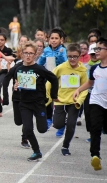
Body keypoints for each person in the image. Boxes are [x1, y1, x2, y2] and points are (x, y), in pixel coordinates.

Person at [13, 41, 58, 161]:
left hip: (38, 103)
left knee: (42, 129)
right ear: (22, 54)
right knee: (27, 129)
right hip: (25, 103)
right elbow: (16, 83)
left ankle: (49, 118)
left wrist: (53, 95)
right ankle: (36, 151)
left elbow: (53, 79)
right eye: (26, 53)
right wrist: (16, 87)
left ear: (35, 55)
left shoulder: (39, 68)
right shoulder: (19, 69)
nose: (28, 55)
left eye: (31, 53)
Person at [46, 43, 88, 156]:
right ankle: (63, 120)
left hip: (74, 103)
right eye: (70, 56)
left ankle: (65, 146)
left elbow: (85, 88)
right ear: (67, 55)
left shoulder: (83, 70)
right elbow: (50, 82)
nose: (72, 59)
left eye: (75, 56)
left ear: (79, 56)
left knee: (71, 124)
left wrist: (79, 100)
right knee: (57, 124)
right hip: (60, 100)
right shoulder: (60, 68)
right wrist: (49, 97)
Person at [73, 37, 107, 171]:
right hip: (96, 101)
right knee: (95, 128)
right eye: (95, 49)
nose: (96, 51)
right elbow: (90, 83)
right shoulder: (94, 69)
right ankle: (95, 156)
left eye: (99, 48)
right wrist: (78, 89)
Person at [37, 28, 67, 132]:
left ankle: (61, 124)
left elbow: (65, 63)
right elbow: (40, 63)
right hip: (48, 78)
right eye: (52, 38)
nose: (54, 40)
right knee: (47, 98)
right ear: (48, 39)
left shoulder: (63, 50)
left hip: (60, 79)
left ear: (61, 40)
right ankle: (48, 119)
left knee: (58, 101)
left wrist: (60, 54)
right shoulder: (46, 50)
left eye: (56, 38)